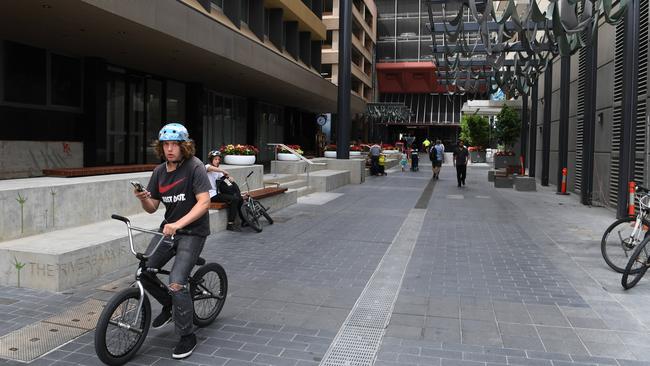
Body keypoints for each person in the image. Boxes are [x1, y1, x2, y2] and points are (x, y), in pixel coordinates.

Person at [133, 123, 211, 360]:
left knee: (176, 282)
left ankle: (187, 335)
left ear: (184, 146)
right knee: (144, 272)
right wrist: (142, 198)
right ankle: (169, 305)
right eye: (165, 145)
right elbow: (152, 208)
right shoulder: (159, 172)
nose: (169, 149)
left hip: (193, 233)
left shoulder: (195, 167)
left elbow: (204, 202)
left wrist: (178, 224)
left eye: (174, 145)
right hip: (169, 232)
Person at [205, 150, 244, 232]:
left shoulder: (218, 171)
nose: (217, 161)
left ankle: (244, 220)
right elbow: (210, 168)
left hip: (217, 193)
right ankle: (230, 224)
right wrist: (222, 171)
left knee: (239, 199)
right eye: (215, 159)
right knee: (234, 199)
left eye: (218, 160)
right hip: (210, 195)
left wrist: (229, 179)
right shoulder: (207, 166)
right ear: (211, 160)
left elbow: (225, 180)